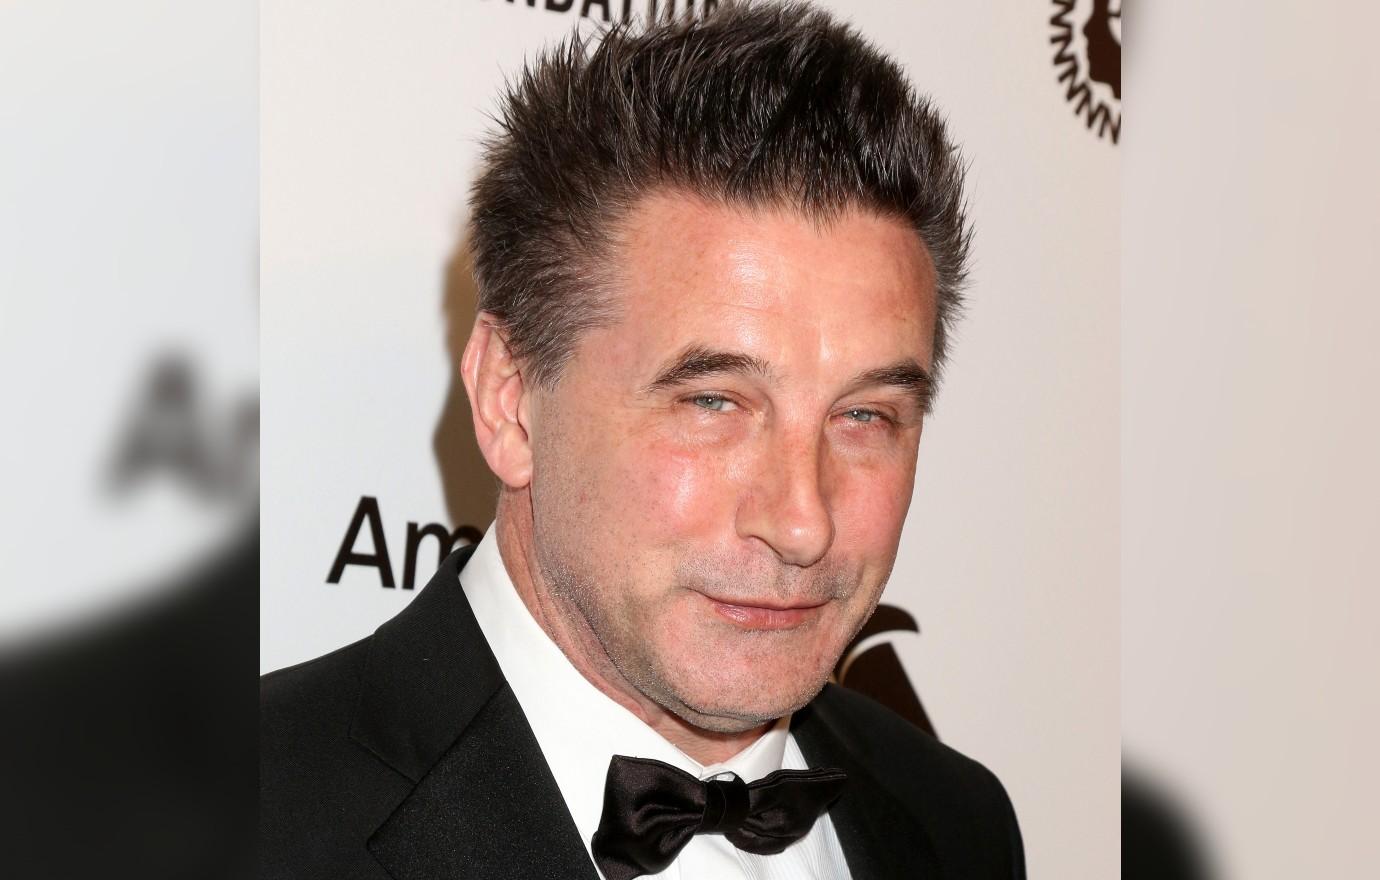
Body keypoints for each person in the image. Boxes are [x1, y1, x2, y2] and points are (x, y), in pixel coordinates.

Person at [260, 3, 1026, 878]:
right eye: (714, 402)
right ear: (510, 401)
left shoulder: (957, 823)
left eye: (864, 417)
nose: (802, 524)